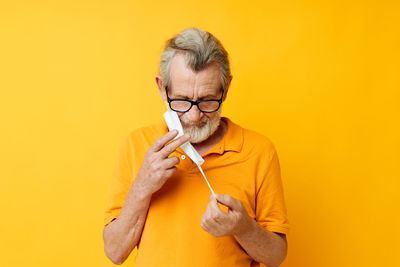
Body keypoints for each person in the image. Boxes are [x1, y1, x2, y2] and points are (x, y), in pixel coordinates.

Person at [103, 27, 290, 267]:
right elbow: (114, 252)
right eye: (181, 100)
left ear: (226, 89)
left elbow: (276, 256)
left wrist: (243, 228)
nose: (193, 116)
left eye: (207, 100)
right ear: (162, 88)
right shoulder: (136, 145)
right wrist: (142, 186)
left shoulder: (259, 151)